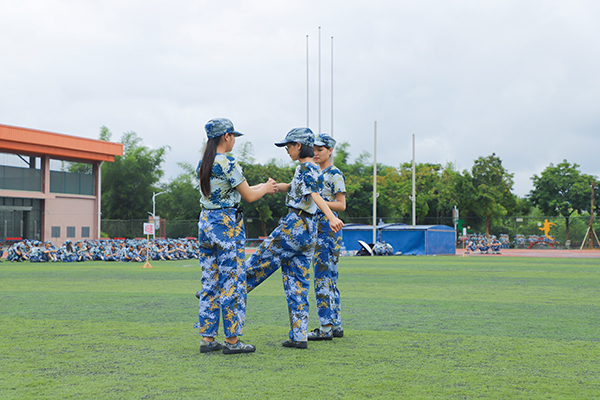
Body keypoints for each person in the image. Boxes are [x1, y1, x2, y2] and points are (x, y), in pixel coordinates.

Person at [245, 127, 344, 349]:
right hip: (309, 231)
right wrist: (271, 187)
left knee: (259, 261)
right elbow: (295, 188)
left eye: (289, 146)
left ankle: (220, 291)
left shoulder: (305, 167)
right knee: (297, 283)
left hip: (295, 225)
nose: (287, 150)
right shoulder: (315, 169)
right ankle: (299, 336)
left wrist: (331, 217)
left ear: (299, 146)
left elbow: (314, 195)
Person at [196, 118, 277, 355]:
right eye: (233, 136)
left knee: (210, 281)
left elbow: (237, 191)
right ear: (226, 136)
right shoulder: (228, 162)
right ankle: (232, 340)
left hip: (205, 223)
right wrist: (266, 188)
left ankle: (208, 338)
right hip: (226, 225)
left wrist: (260, 187)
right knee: (232, 280)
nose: (234, 141)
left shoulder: (204, 162)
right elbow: (249, 196)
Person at [307, 133, 346, 341]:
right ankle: (335, 324)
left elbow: (341, 205)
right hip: (319, 228)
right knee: (328, 276)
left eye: (320, 149)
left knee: (324, 276)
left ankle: (326, 327)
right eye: (313, 149)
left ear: (330, 150)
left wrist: (317, 202)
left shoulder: (334, 174)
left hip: (328, 229)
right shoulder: (314, 172)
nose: (316, 153)